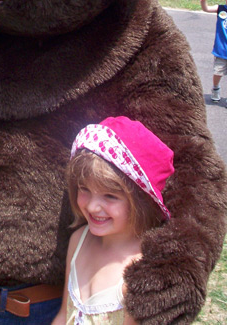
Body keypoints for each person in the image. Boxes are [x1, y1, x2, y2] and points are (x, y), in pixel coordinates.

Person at [52, 116, 174, 324]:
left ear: (141, 201)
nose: (92, 206)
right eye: (84, 189)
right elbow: (64, 314)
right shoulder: (78, 241)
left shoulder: (141, 267)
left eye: (110, 196)